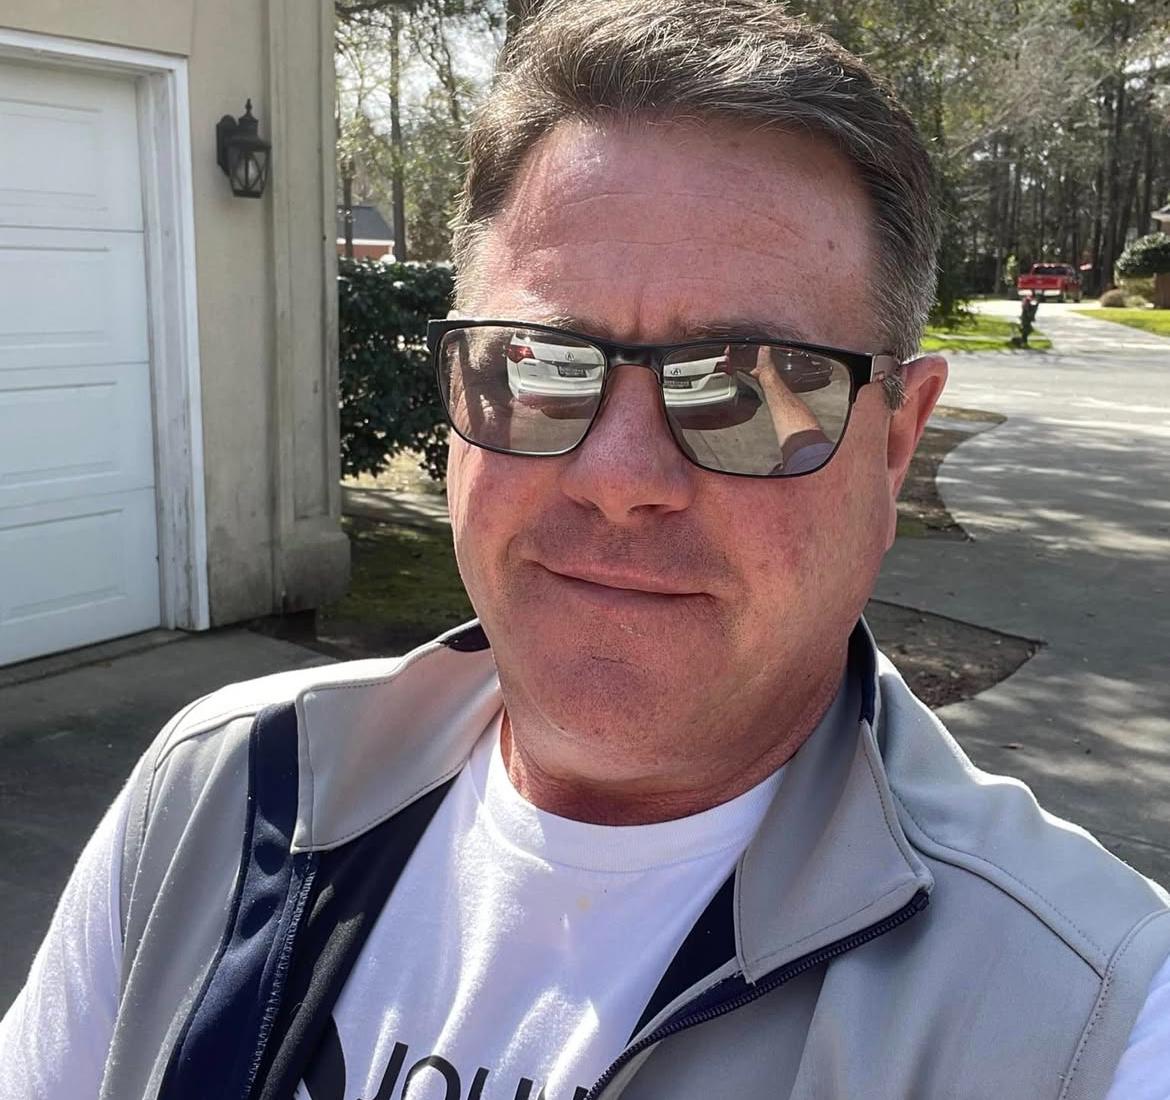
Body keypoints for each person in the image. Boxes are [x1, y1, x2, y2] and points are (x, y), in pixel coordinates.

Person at [2, 1, 1168, 1097]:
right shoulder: (223, 795)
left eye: (749, 385)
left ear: (897, 442)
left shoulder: (1092, 1018)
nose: (617, 477)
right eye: (538, 364)